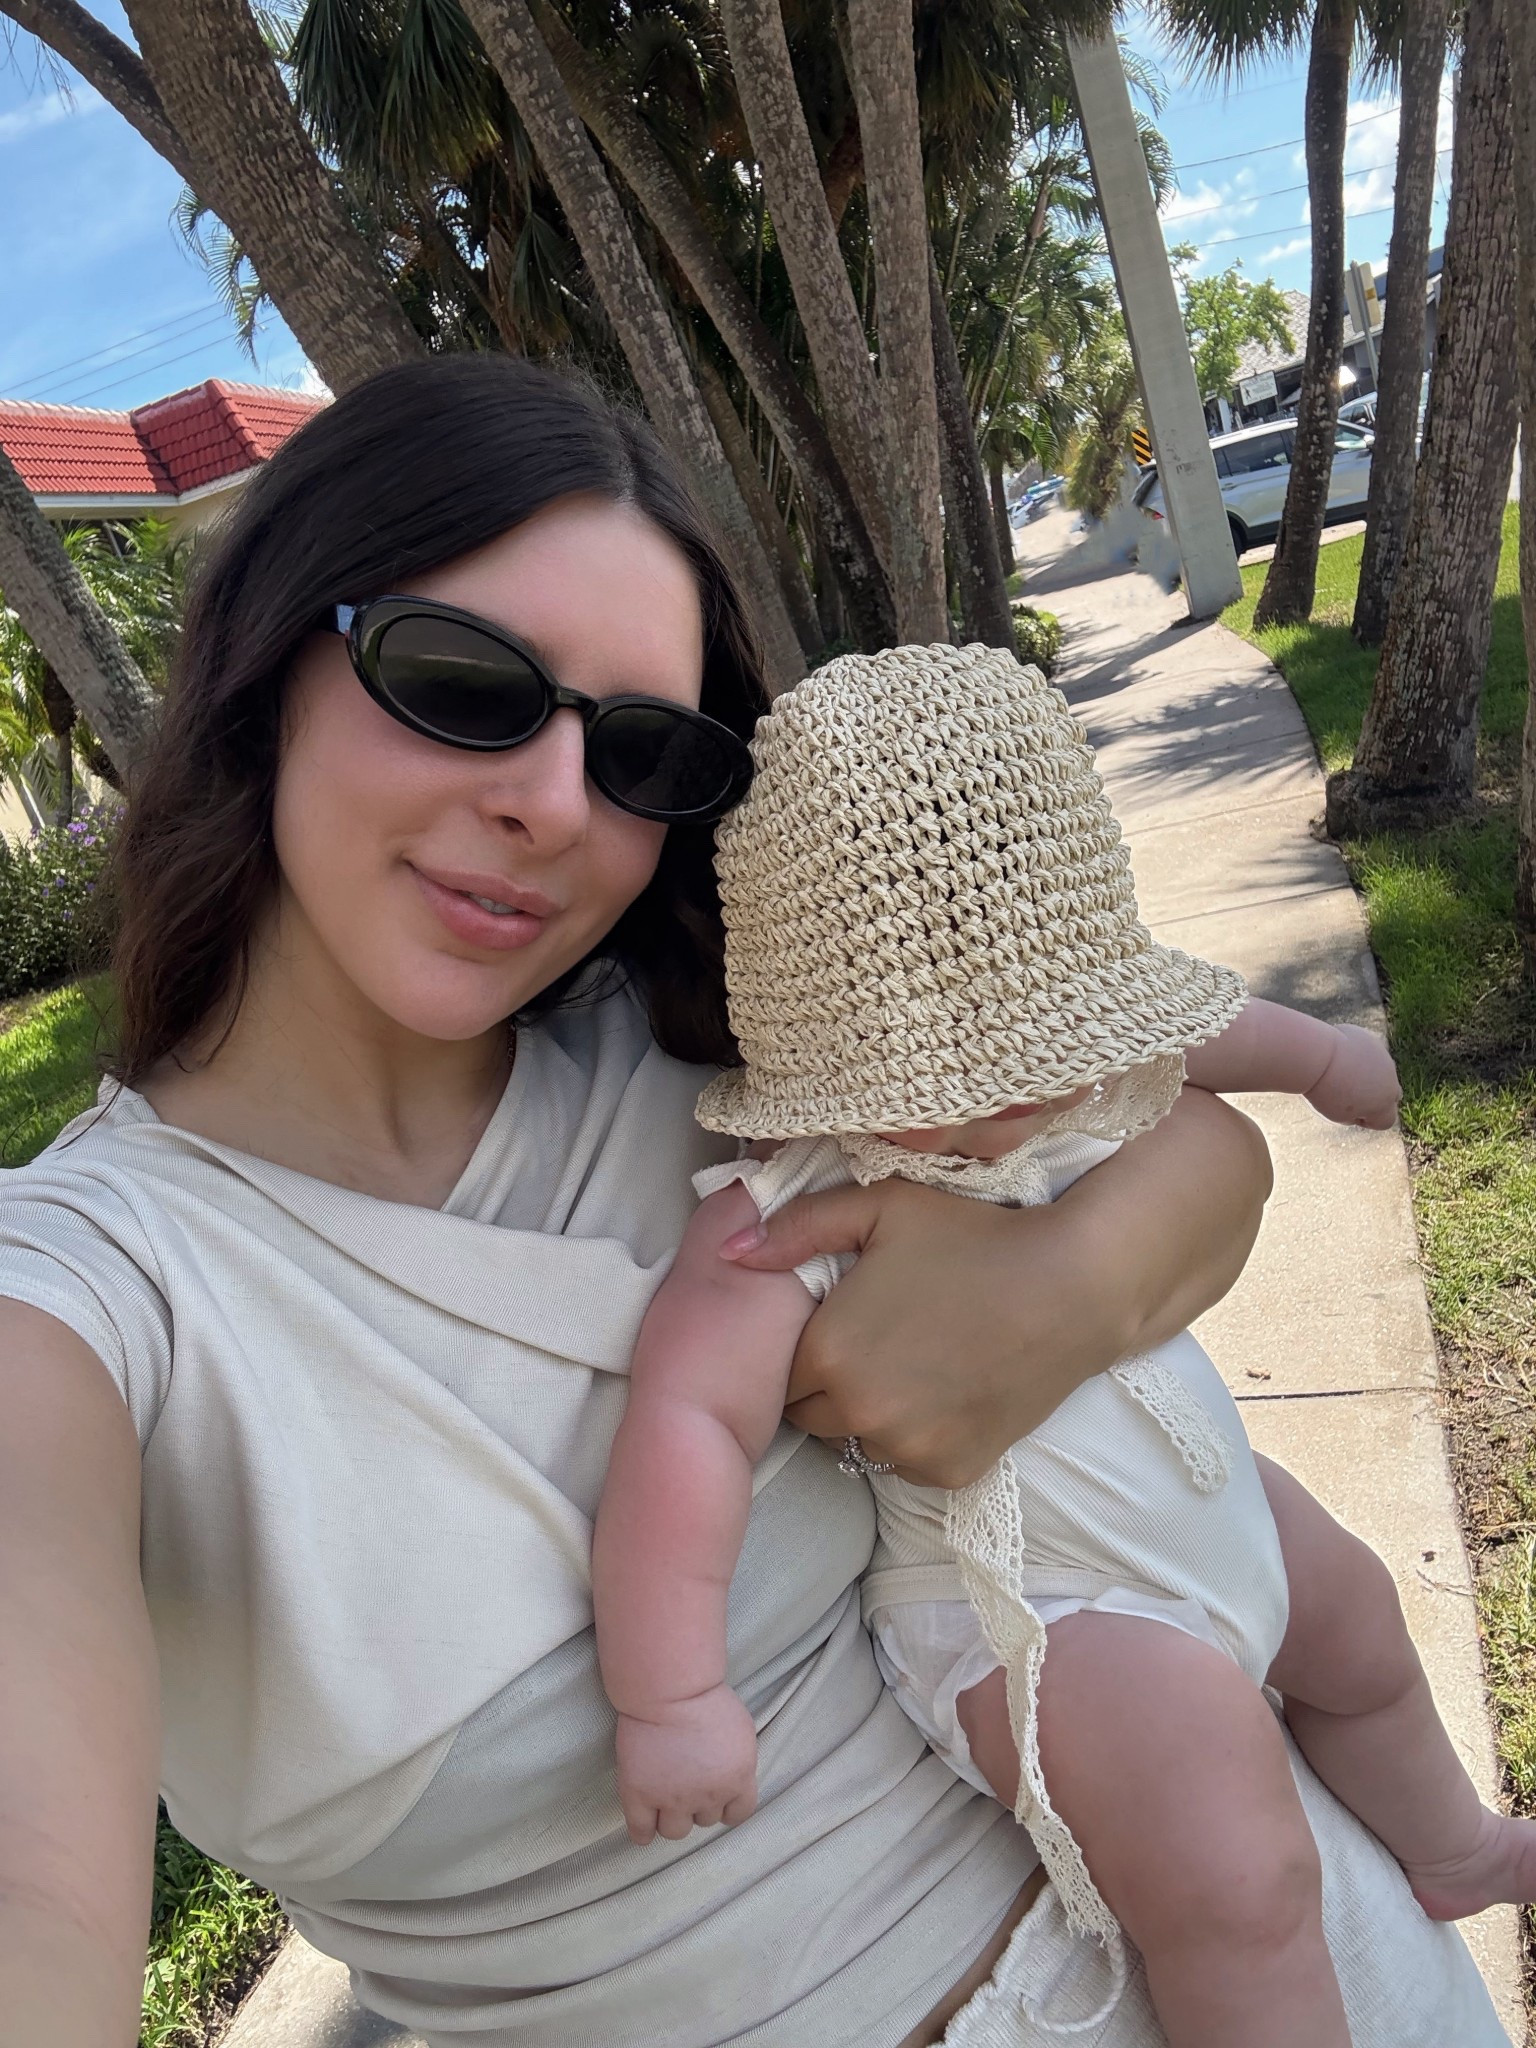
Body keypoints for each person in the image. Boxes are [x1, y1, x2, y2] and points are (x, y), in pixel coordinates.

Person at [0, 356, 1503, 2048]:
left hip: (1292, 1947)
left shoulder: (732, 1045)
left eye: (642, 749)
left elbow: (1171, 1125)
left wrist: (1059, 1294)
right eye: (458, 681)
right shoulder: (82, 1297)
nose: (555, 807)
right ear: (263, 663)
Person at [592, 644, 1533, 2046]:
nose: (1006, 1114)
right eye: (939, 1089)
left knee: (1354, 1618)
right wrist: (669, 1692)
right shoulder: (783, 1208)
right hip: (1034, 1606)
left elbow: (1209, 1031)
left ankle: (1449, 1843)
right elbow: (684, 1423)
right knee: (1235, 1872)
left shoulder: (1097, 1066)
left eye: (1042, 1058)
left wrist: (1334, 1062)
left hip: (1204, 1507)